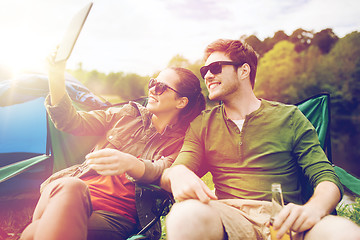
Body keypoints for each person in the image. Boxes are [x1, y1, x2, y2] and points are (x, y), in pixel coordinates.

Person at [160, 39, 360, 240]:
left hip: (285, 220)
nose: (208, 75)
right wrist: (177, 173)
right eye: (205, 71)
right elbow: (175, 171)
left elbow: (326, 176)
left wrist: (315, 208)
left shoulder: (290, 117)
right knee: (184, 216)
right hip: (229, 218)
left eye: (216, 67)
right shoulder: (202, 124)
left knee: (343, 232)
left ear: (244, 71)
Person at [20, 52, 206, 240]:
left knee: (34, 232)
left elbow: (164, 172)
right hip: (68, 192)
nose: (152, 89)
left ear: (181, 102)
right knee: (72, 186)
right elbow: (70, 121)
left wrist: (131, 164)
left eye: (161, 87)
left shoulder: (184, 142)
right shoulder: (125, 114)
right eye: (152, 83)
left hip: (114, 216)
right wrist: (55, 75)